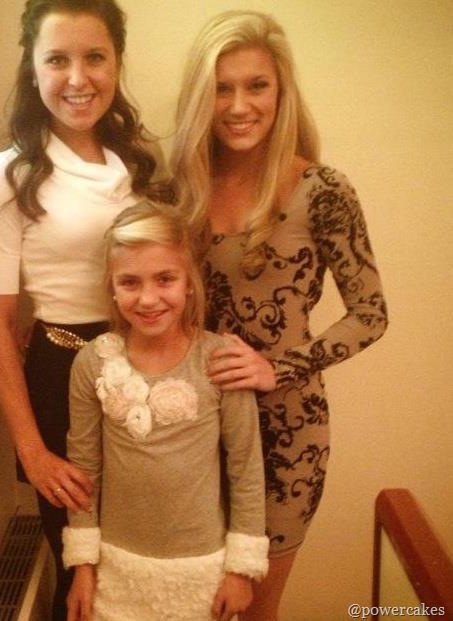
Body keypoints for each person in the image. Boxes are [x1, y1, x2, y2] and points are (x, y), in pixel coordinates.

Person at [170, 10, 388, 620]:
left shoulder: (322, 189)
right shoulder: (179, 190)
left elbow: (371, 313)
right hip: (191, 425)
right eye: (222, 88)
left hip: (286, 435)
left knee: (255, 611)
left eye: (256, 85)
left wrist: (278, 367)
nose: (239, 105)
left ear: (281, 91)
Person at [0, 1, 169, 619]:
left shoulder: (140, 165)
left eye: (94, 58)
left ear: (117, 64)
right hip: (63, 379)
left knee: (149, 563)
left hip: (152, 367)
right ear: (32, 69)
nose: (78, 79)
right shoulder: (8, 174)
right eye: (57, 59)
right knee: (84, 575)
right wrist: (31, 451)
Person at [62, 202, 269, 621]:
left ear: (189, 282)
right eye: (130, 282)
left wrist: (240, 570)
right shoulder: (92, 363)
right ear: (112, 287)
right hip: (116, 569)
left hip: (202, 570)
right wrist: (83, 565)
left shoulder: (220, 360)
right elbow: (84, 469)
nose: (148, 298)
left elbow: (246, 468)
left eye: (165, 279)